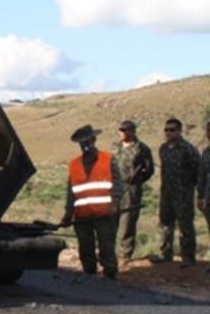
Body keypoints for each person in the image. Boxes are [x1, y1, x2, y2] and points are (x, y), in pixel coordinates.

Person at [60, 125, 123, 279]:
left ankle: (110, 274)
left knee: (106, 244)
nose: (84, 145)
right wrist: (68, 214)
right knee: (85, 246)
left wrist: (114, 205)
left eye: (87, 141)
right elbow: (72, 192)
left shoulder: (108, 159)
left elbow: (118, 184)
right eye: (81, 142)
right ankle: (89, 274)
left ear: (94, 140)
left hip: (105, 213)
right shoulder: (74, 164)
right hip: (82, 215)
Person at [156, 117, 200, 266]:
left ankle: (188, 257)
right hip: (166, 192)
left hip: (183, 193)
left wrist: (192, 188)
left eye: (172, 130)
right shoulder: (163, 148)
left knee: (185, 225)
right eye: (166, 130)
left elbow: (197, 171)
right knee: (165, 223)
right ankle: (165, 253)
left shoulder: (188, 149)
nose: (169, 133)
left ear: (179, 131)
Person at [114, 120, 155, 261]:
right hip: (115, 188)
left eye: (124, 130)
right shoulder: (116, 146)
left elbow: (149, 170)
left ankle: (124, 255)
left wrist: (136, 180)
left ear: (132, 131)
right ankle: (109, 253)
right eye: (120, 129)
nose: (121, 132)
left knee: (128, 223)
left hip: (131, 189)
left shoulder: (141, 148)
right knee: (111, 220)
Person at [197, 121, 210, 263]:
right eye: (207, 131)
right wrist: (199, 196)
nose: (209, 134)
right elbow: (201, 176)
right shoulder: (206, 152)